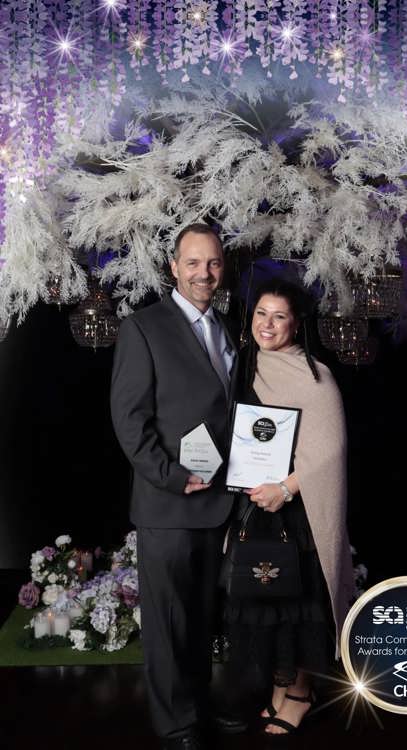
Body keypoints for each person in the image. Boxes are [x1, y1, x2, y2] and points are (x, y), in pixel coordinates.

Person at [110, 224, 241, 750]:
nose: (203, 274)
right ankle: (175, 724)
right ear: (173, 267)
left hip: (218, 501)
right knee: (167, 623)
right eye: (193, 263)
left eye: (212, 264)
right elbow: (128, 418)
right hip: (167, 503)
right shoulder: (143, 327)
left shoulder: (229, 326)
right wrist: (170, 476)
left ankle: (201, 708)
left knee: (202, 618)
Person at [223, 278, 355, 736]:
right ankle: (280, 687)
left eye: (279, 316)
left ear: (296, 324)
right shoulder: (245, 365)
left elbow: (331, 452)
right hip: (257, 507)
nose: (268, 324)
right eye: (261, 313)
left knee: (298, 604)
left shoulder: (314, 374)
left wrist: (287, 487)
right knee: (269, 602)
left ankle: (300, 694)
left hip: (296, 510)